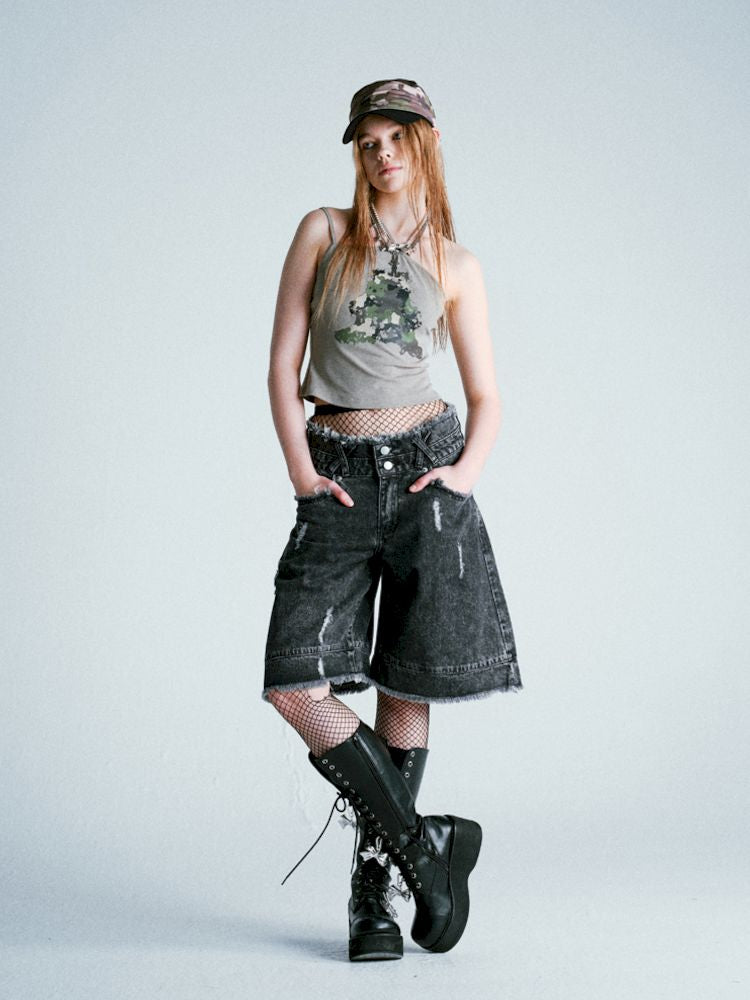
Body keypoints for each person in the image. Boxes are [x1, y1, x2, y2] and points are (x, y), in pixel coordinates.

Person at [262, 79, 522, 961]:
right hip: (335, 474)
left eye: (397, 138)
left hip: (423, 477)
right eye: (368, 141)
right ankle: (424, 845)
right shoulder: (323, 233)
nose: (382, 154)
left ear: (426, 144)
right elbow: (282, 365)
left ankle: (373, 892)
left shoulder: (457, 264)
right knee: (295, 683)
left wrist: (461, 478)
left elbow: (487, 397)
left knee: (404, 685)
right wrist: (301, 473)